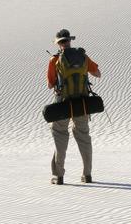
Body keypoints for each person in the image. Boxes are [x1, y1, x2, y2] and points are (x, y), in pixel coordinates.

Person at [47, 29, 101, 185]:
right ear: (69, 40)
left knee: (60, 135)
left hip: (63, 103)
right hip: (82, 103)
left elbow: (50, 85)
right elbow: (98, 73)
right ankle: (87, 174)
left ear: (58, 43)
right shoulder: (83, 56)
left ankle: (59, 176)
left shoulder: (54, 60)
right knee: (84, 137)